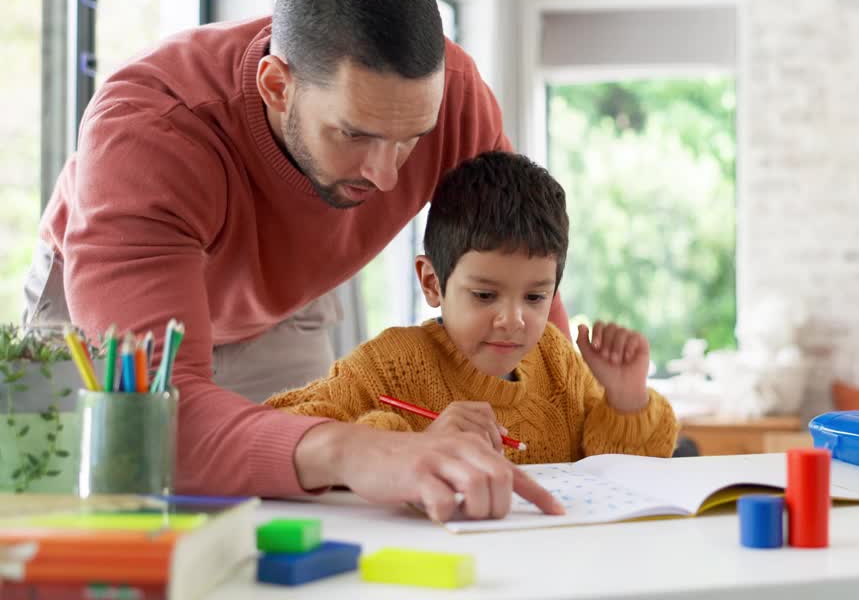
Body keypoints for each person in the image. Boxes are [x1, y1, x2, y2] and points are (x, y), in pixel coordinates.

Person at [23, 0, 563, 518]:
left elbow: (523, 269)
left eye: (412, 139)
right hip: (109, 323)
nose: (386, 177)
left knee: (311, 518)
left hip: (285, 300)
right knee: (99, 512)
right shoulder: (150, 132)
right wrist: (351, 447)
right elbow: (153, 419)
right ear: (277, 86)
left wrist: (566, 415)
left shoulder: (450, 98)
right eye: (355, 135)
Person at [265, 152, 678, 519]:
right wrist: (408, 448)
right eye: (485, 295)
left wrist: (625, 399)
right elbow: (274, 435)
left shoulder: (556, 359)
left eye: (535, 296)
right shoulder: (388, 365)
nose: (513, 320)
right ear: (432, 283)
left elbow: (623, 480)